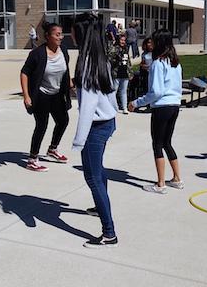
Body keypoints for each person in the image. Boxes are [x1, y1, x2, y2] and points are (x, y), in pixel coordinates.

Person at [72, 13, 119, 248]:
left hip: (96, 127)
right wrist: (115, 115)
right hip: (106, 122)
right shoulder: (100, 57)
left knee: (92, 177)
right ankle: (99, 206)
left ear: (79, 34)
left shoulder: (87, 63)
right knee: (98, 171)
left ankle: (109, 233)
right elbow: (111, 92)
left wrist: (79, 140)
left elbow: (88, 107)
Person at [128, 29, 183, 194]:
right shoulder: (175, 62)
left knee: (157, 144)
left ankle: (160, 184)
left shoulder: (158, 63)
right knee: (167, 142)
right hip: (174, 106)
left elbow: (156, 92)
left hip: (162, 107)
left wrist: (136, 103)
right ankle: (177, 178)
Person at [20, 22, 72, 172]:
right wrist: (26, 96)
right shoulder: (37, 53)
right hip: (41, 95)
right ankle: (32, 159)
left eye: (61, 34)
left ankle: (52, 149)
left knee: (63, 121)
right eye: (57, 35)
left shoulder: (64, 50)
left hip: (57, 94)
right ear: (47, 36)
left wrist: (69, 84)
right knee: (42, 125)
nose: (60, 37)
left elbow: (65, 70)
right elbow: (24, 72)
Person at [107, 35, 132, 114]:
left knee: (124, 91)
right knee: (114, 90)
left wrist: (130, 72)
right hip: (116, 72)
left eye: (124, 40)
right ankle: (113, 106)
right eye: (121, 40)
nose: (123, 42)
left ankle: (124, 107)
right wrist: (115, 57)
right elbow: (109, 57)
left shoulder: (126, 48)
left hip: (125, 72)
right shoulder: (114, 48)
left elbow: (129, 61)